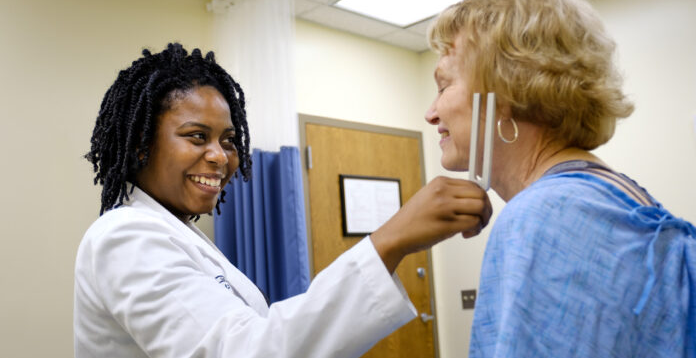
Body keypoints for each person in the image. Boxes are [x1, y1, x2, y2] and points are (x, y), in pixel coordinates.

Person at [74, 43, 492, 358]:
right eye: (197, 136)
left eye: (229, 141)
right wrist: (389, 241)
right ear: (141, 146)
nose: (220, 156)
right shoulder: (125, 237)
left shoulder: (177, 233)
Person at [425, 0, 695, 358]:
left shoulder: (543, 215)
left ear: (504, 94)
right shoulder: (605, 196)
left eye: (444, 85)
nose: (431, 113)